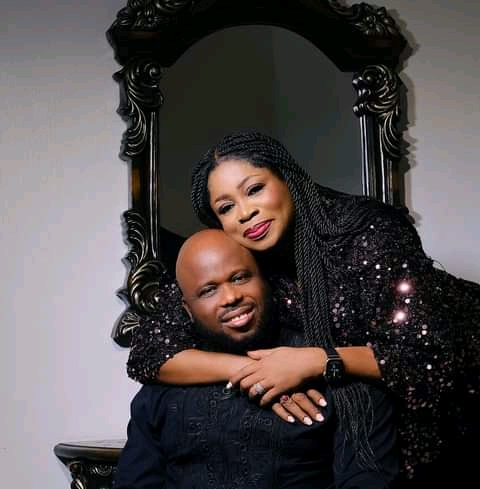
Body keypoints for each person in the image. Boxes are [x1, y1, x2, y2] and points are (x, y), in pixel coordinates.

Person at [126, 130, 480, 482]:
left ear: (287, 178)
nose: (245, 213)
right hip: (377, 428)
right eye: (226, 207)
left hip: (462, 397)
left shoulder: (369, 231)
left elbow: (428, 358)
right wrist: (258, 371)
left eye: (254, 189)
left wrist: (314, 361)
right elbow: (150, 353)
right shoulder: (246, 257)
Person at [114, 228, 401, 489]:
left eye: (240, 277)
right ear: (187, 310)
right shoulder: (161, 388)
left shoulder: (337, 376)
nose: (230, 297)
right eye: (209, 290)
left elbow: (368, 479)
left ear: (266, 281)